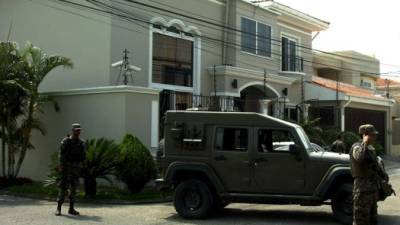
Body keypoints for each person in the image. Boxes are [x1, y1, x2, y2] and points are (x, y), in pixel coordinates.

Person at [349, 124, 380, 225]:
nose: (375, 137)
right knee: (361, 221)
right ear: (365, 135)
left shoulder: (371, 149)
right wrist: (364, 143)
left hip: (372, 190)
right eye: (373, 135)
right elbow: (359, 158)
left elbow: (375, 167)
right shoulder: (357, 147)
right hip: (362, 191)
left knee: (372, 220)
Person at [55, 123, 86, 216]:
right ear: (72, 130)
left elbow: (84, 155)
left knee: (74, 187)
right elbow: (61, 153)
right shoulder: (66, 141)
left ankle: (71, 208)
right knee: (63, 186)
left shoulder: (82, 143)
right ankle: (58, 208)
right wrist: (61, 164)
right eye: (76, 130)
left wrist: (83, 165)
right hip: (67, 166)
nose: (78, 131)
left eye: (79, 130)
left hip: (76, 167)